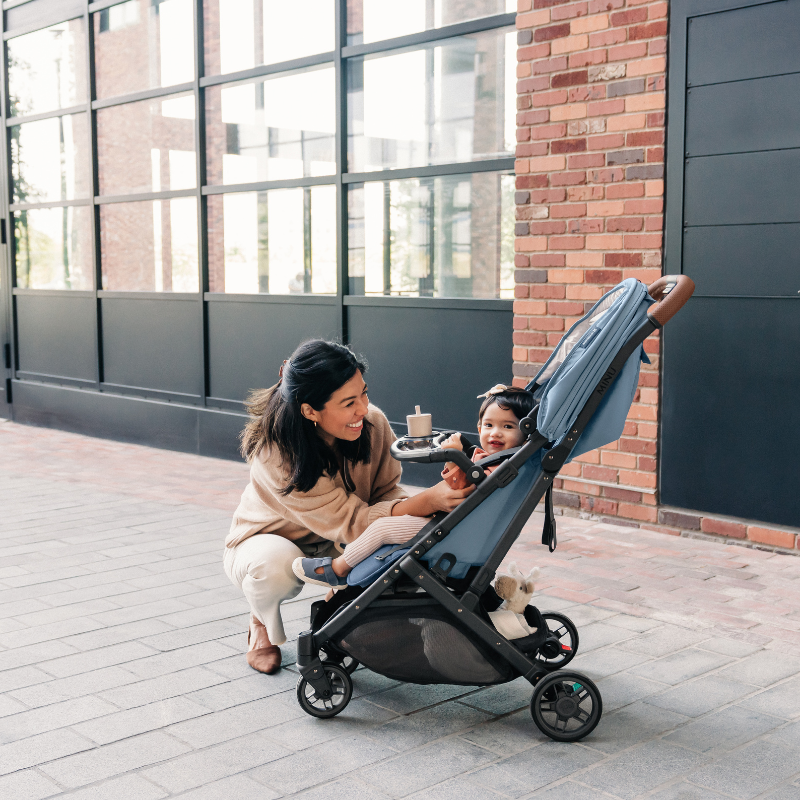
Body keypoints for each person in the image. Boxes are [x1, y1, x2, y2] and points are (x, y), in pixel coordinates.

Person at [224, 339, 474, 674]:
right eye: (348, 402)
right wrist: (426, 500)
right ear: (310, 410)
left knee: (395, 549)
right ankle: (261, 625)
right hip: (269, 539)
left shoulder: (372, 423)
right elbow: (353, 523)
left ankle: (336, 609)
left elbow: (386, 492)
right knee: (276, 568)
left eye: (364, 393)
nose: (363, 409)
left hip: (340, 538)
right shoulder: (277, 453)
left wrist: (430, 504)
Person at [292, 385, 535, 587]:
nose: (496, 433)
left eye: (508, 427)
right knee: (385, 531)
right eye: (489, 425)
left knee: (383, 528)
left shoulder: (502, 467)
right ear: (479, 427)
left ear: (525, 433)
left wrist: (453, 457)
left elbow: (463, 487)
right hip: (452, 522)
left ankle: (337, 569)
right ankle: (352, 561)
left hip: (451, 529)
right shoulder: (494, 458)